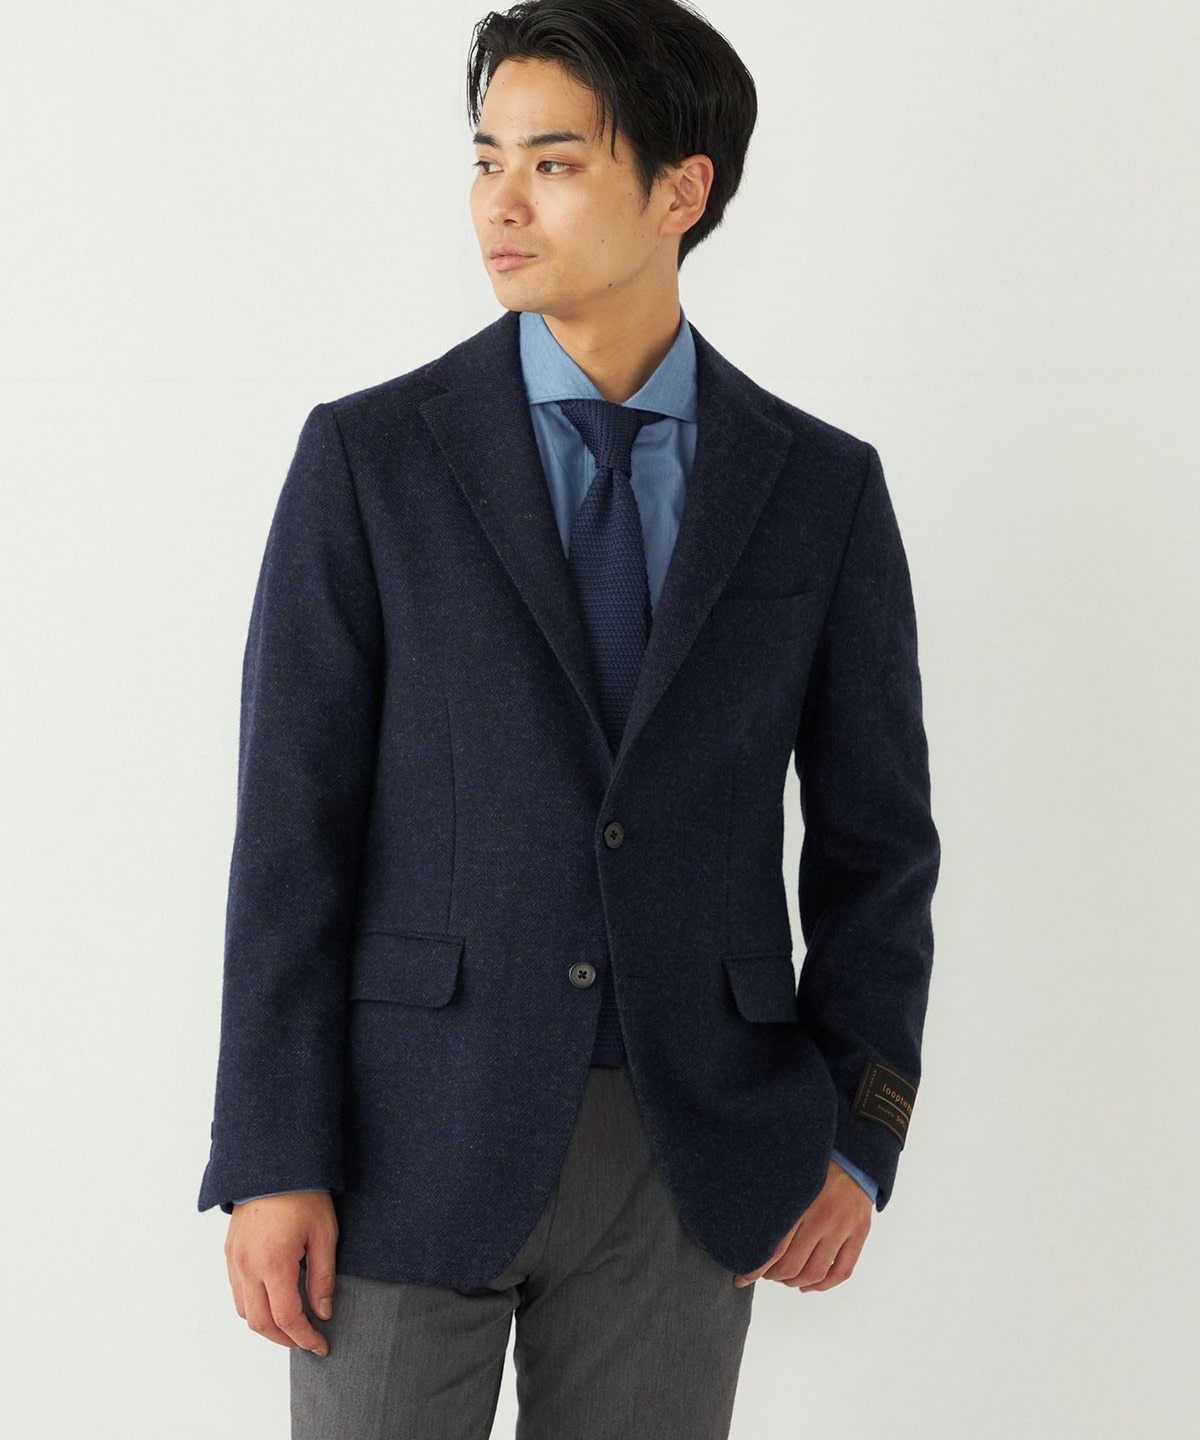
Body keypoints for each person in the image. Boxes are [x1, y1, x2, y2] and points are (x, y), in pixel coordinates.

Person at [198, 1, 940, 1435]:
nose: (499, 203)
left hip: (693, 1151)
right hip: (406, 1139)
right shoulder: (369, 460)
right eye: (486, 160)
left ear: (680, 190)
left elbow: (879, 846)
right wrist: (271, 1151)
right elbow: (290, 832)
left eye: (552, 163)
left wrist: (860, 1131)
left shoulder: (818, 488)